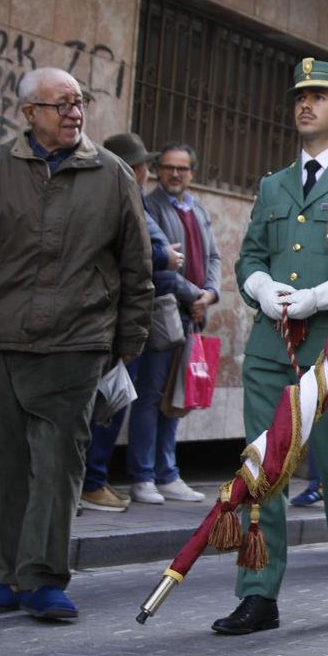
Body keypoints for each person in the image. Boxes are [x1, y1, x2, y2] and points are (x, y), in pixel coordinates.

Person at [0, 68, 152, 620]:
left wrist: (131, 337)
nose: (74, 112)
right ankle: (13, 577)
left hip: (78, 341)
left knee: (58, 461)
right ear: (29, 113)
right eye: (61, 103)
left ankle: (44, 579)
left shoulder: (113, 175)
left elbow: (138, 265)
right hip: (5, 339)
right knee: (8, 463)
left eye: (80, 101)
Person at [211, 58, 328, 637]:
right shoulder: (274, 184)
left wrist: (326, 294)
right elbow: (250, 257)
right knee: (263, 463)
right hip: (273, 345)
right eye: (300, 95)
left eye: (319, 96)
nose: (305, 104)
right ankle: (258, 592)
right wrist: (261, 288)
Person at [81, 132, 189, 513]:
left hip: (125, 316)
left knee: (113, 399)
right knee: (109, 402)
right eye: (144, 164)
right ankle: (91, 481)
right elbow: (138, 248)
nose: (148, 170)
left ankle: (91, 480)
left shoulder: (128, 195)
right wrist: (165, 257)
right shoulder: (120, 197)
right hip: (113, 317)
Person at [132, 141, 217, 505]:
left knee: (176, 397)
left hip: (193, 316)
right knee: (150, 396)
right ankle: (142, 476)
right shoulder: (149, 205)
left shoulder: (198, 209)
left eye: (182, 168)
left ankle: (168, 473)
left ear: (192, 173)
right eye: (168, 167)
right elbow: (156, 263)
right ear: (157, 170)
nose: (175, 174)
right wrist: (192, 293)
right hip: (162, 313)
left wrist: (209, 295)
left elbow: (213, 256)